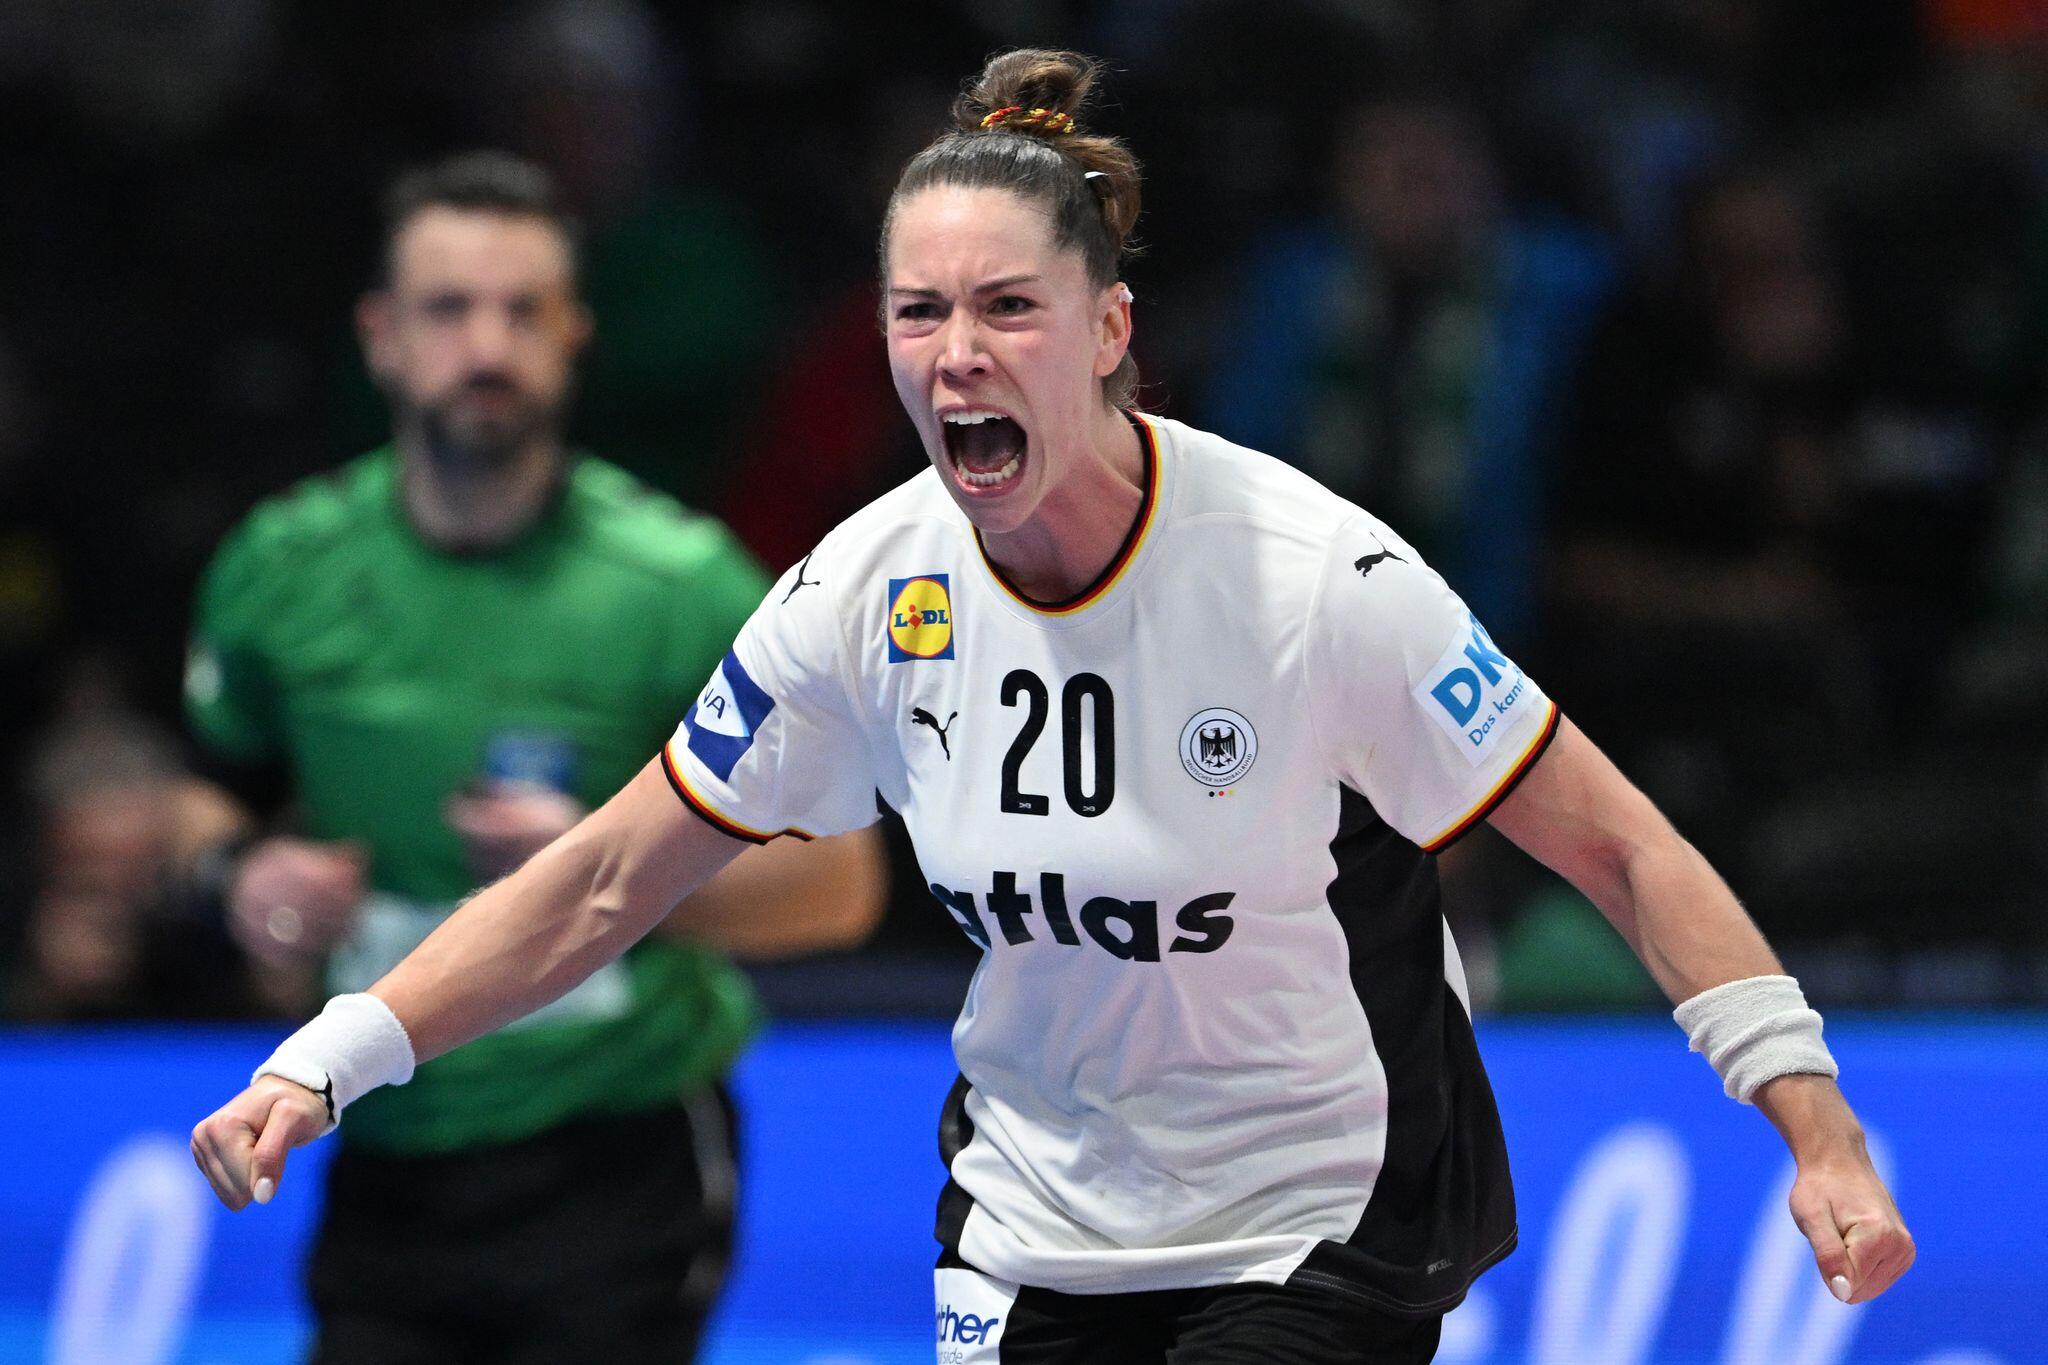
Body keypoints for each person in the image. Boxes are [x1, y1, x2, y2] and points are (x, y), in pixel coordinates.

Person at [194, 57, 1912, 1364]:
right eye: (918, 312)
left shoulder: (1310, 578)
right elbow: (598, 880)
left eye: (1008, 307)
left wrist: (1813, 1122)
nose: (957, 352)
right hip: (1036, 1224)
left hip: (1316, 1217)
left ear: (1107, 332)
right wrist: (330, 1059)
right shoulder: (866, 590)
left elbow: (1618, 847)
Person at [182, 151, 886, 1364]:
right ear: (381, 338)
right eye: (449, 310)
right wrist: (237, 876)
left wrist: (609, 870)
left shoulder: (678, 588)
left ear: (574, 337)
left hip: (615, 1150)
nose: (487, 346)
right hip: (384, 1146)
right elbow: (207, 796)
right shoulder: (280, 573)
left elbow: (841, 884)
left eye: (523, 311)